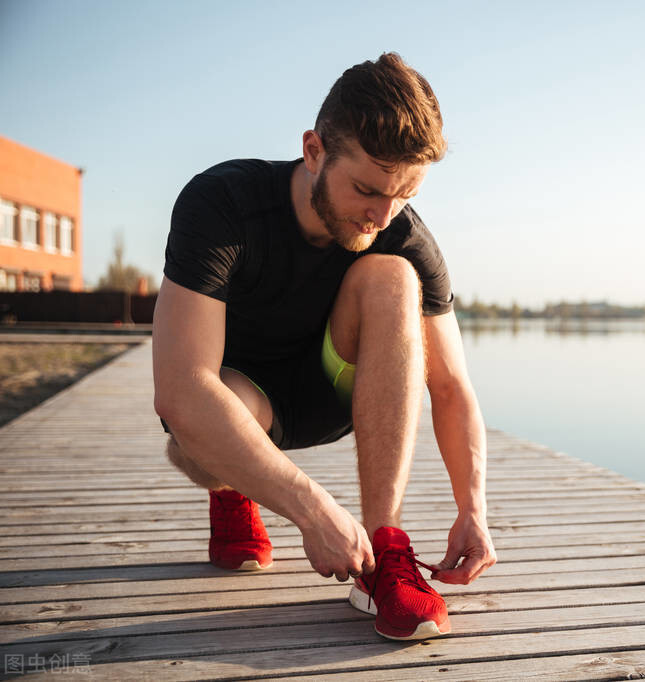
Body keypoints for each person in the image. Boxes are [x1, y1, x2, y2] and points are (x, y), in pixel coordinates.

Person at [152, 53, 496, 641]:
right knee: (196, 435)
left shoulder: (401, 233)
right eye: (366, 189)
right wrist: (314, 512)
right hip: (243, 400)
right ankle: (233, 491)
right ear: (314, 151)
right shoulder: (223, 204)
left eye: (405, 193)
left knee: (393, 276)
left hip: (338, 388)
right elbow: (183, 391)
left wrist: (473, 508)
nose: (382, 214)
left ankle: (385, 550)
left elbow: (450, 385)